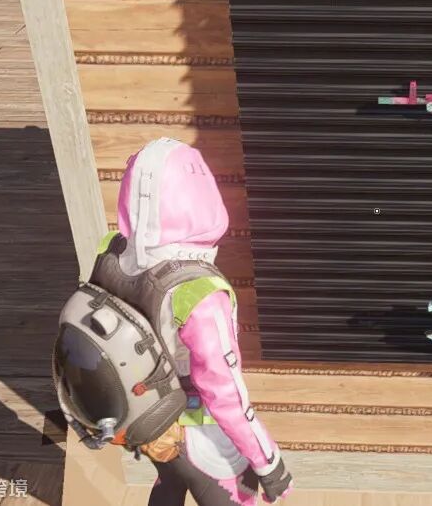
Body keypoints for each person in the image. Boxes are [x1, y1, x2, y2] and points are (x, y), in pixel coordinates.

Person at [104, 137, 293, 505]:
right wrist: (269, 463)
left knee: (168, 485)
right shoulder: (200, 292)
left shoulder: (112, 255)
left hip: (147, 419)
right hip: (203, 433)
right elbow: (224, 392)